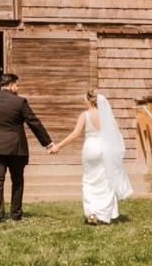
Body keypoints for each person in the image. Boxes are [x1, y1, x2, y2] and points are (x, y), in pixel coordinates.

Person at [0, 73, 54, 223]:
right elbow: (34, 123)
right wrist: (48, 143)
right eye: (17, 85)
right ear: (11, 85)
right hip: (16, 149)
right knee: (17, 181)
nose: (17, 88)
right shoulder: (20, 102)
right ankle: (16, 213)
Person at [49, 90, 133, 224]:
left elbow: (75, 134)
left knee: (89, 180)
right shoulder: (106, 115)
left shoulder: (85, 115)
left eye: (84, 100)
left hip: (90, 148)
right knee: (105, 180)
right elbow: (113, 134)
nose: (83, 102)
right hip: (105, 148)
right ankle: (104, 214)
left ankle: (92, 212)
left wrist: (58, 146)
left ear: (90, 101)